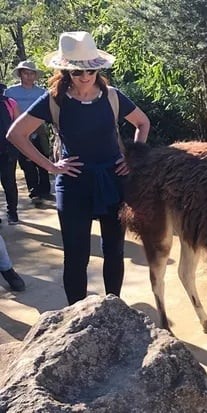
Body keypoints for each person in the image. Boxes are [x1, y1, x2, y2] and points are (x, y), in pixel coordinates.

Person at [7, 31, 150, 305]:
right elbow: (16, 134)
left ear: (98, 68)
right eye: (76, 72)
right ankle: (76, 316)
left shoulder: (113, 97)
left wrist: (132, 158)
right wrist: (50, 166)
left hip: (113, 179)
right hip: (73, 184)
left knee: (114, 250)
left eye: (91, 70)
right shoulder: (53, 100)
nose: (85, 77)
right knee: (75, 255)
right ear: (65, 71)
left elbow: (142, 123)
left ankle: (113, 308)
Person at [5, 60, 52, 206]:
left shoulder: (42, 92)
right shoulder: (10, 92)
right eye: (26, 73)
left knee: (43, 157)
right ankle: (34, 190)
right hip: (19, 129)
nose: (29, 76)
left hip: (39, 128)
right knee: (26, 161)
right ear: (20, 74)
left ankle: (45, 189)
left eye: (32, 73)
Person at [0, 83, 21, 225]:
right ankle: (12, 213)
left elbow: (18, 125)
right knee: (9, 182)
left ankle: (12, 212)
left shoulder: (10, 103)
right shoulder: (10, 102)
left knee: (9, 182)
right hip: (9, 149)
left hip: (8, 150)